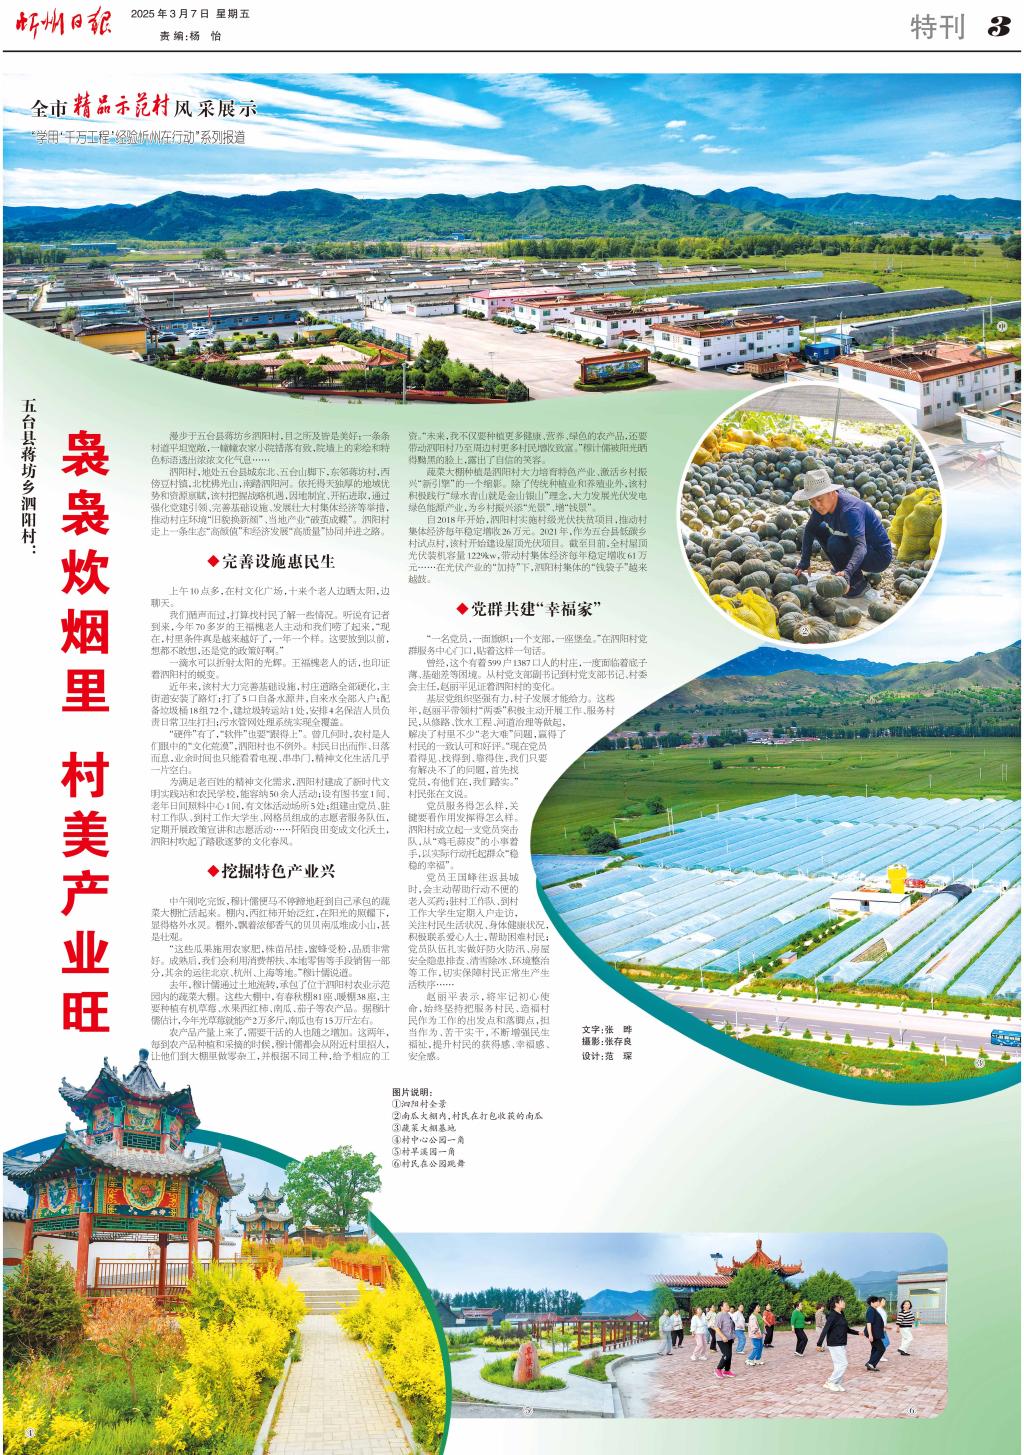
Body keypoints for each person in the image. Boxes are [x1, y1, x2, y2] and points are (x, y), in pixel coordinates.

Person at [792, 466, 894, 599]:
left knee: (835, 542)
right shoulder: (821, 507)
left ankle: (857, 584)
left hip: (878, 556)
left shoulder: (850, 511)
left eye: (819, 499)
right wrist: (804, 561)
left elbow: (860, 546)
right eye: (812, 501)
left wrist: (848, 572)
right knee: (818, 528)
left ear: (831, 492)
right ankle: (841, 570)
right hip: (857, 544)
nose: (816, 505)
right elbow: (810, 529)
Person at [817, 1294, 856, 1392]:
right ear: (836, 1304)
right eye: (842, 1301)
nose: (844, 1303)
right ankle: (830, 1382)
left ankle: (837, 1383)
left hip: (842, 1342)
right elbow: (825, 1329)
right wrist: (819, 1344)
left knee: (839, 1365)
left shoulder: (841, 1314)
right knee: (843, 1363)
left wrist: (858, 1333)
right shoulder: (832, 1315)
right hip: (834, 1343)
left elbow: (846, 1328)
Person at [863, 1295, 887, 1371]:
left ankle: (871, 1365)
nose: (878, 1303)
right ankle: (870, 1363)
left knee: (875, 1348)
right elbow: (869, 1323)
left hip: (875, 1333)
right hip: (873, 1334)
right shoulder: (871, 1310)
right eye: (877, 1301)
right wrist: (870, 1335)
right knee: (881, 1348)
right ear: (872, 1302)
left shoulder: (873, 1310)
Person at [714, 1301, 736, 1379]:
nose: (728, 1306)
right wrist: (723, 1337)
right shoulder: (720, 1315)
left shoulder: (728, 1315)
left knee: (729, 1355)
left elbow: (731, 1326)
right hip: (721, 1339)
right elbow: (716, 1328)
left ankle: (727, 1371)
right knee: (726, 1355)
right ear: (721, 1307)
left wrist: (733, 1335)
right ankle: (718, 1369)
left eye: (728, 1305)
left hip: (729, 1338)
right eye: (726, 1305)